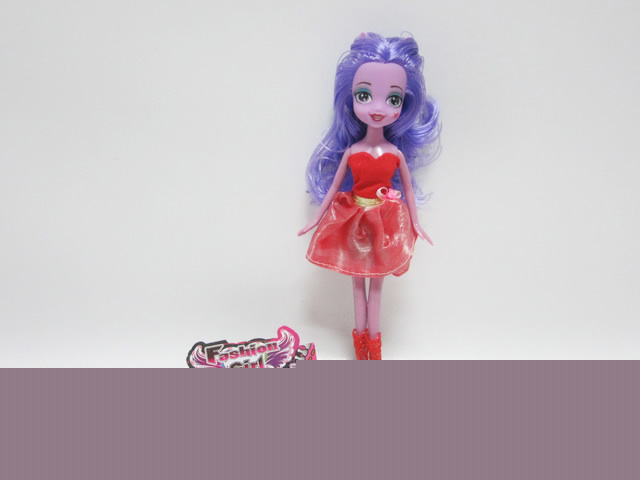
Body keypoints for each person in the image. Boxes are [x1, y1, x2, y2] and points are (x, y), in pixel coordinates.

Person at [298, 32, 440, 360]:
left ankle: (372, 352)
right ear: (350, 98)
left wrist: (416, 224)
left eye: (393, 100)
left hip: (384, 222)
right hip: (353, 219)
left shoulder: (395, 154)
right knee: (355, 285)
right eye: (365, 95)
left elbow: (407, 190)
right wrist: (315, 220)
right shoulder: (352, 151)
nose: (378, 108)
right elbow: (334, 189)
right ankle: (359, 349)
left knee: (376, 286)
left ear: (404, 103)